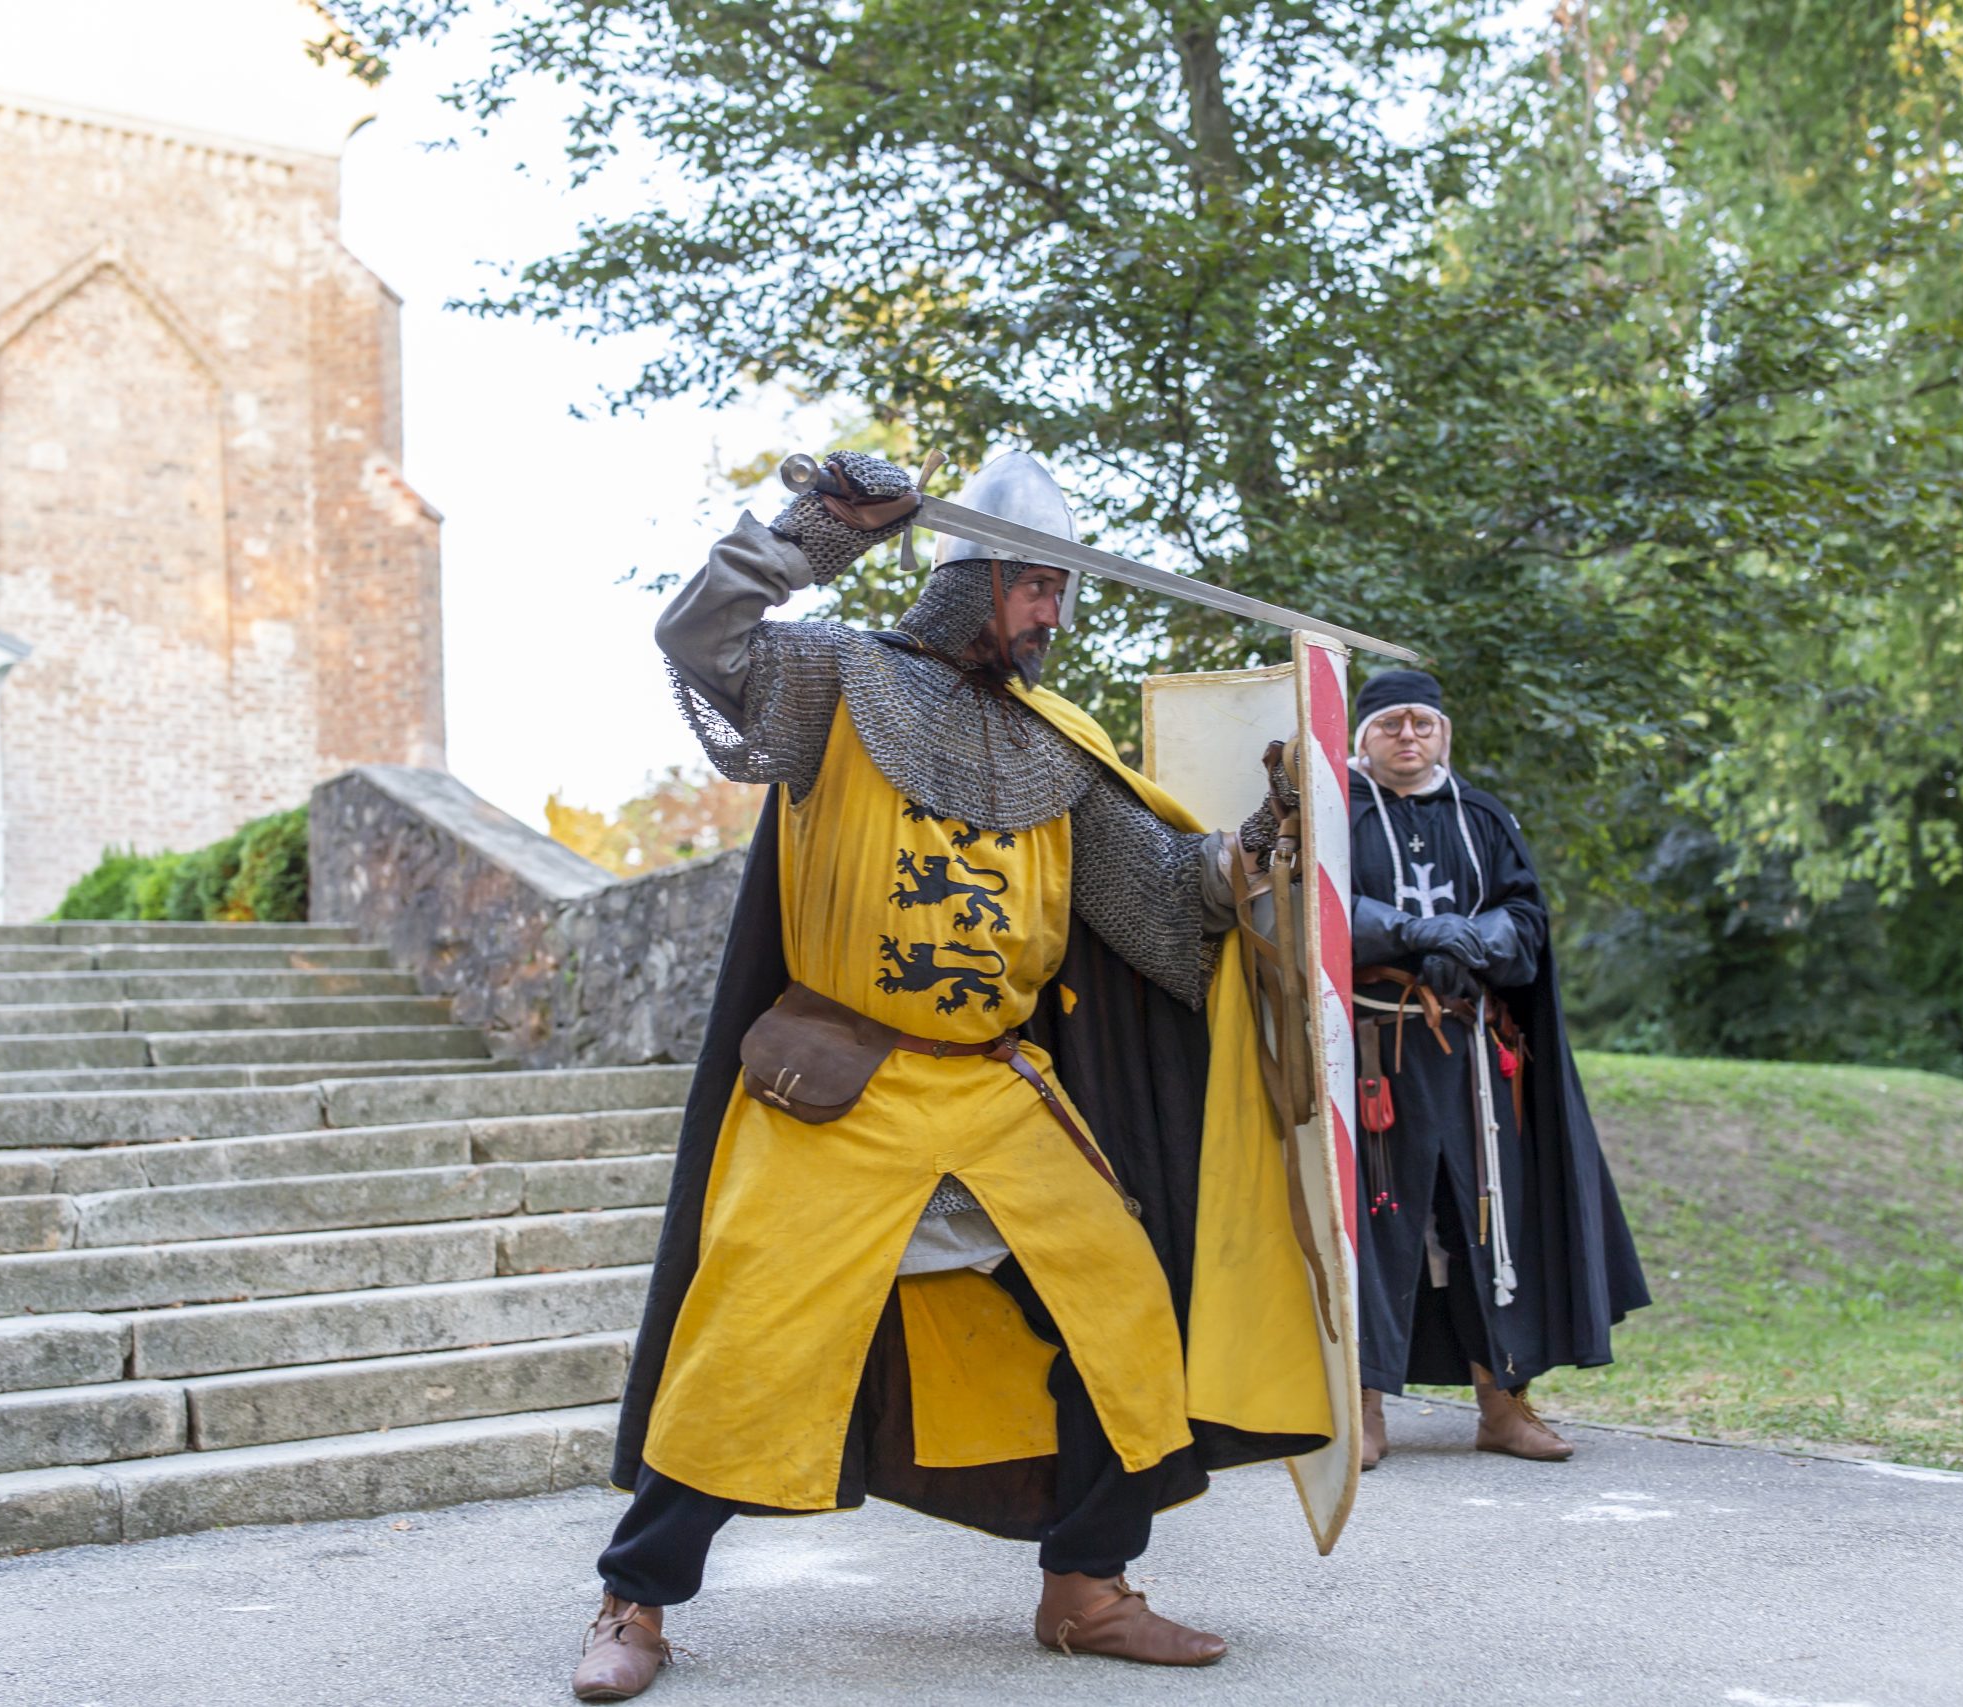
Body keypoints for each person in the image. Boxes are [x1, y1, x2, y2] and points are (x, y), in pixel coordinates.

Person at [569, 449, 1331, 1700]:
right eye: (1031, 586)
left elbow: (1160, 897)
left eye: (1060, 593)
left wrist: (1255, 845)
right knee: (747, 1340)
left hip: (996, 1088)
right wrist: (817, 531)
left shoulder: (1057, 745)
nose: (1048, 615)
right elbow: (700, 640)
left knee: (1125, 1315)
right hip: (840, 1084)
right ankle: (635, 1599)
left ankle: (1088, 1587)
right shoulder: (840, 681)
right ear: (969, 580)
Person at [1343, 667, 1650, 1469]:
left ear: (1442, 733)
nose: (1408, 736)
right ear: (1364, 735)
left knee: (1487, 1224)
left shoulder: (1481, 815)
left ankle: (1503, 1404)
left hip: (1476, 1063)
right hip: (1372, 1058)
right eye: (1391, 724)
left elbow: (1525, 917)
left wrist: (1476, 938)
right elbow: (1317, 905)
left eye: (1423, 723)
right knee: (1377, 1224)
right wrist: (1414, 932)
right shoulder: (1335, 812)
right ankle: (1362, 1407)